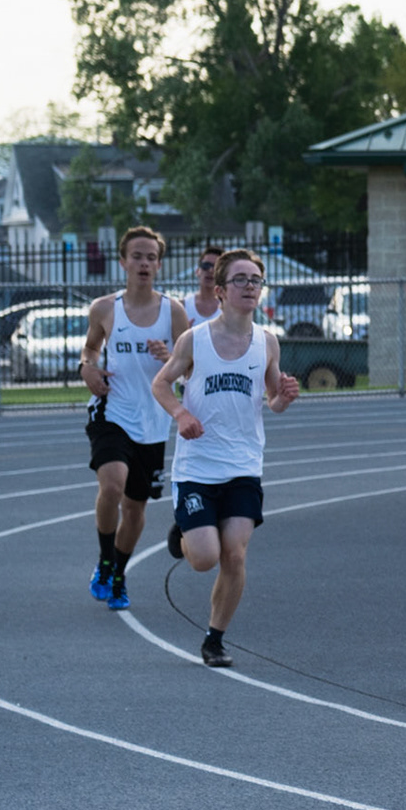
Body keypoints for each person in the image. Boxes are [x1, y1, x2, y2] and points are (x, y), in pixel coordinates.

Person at [150, 249, 300, 667]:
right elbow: (160, 384)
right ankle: (184, 533)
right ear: (219, 290)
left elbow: (272, 400)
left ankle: (214, 640)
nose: (250, 286)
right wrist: (181, 414)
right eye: (240, 280)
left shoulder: (267, 342)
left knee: (234, 554)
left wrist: (284, 398)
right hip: (197, 467)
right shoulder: (194, 340)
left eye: (255, 280)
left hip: (243, 466)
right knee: (204, 558)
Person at [80, 226, 188, 611]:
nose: (144, 263)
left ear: (159, 265)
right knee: (112, 485)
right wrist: (87, 368)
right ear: (123, 262)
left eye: (151, 257)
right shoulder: (104, 308)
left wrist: (169, 358)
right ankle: (105, 560)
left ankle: (119, 574)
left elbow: (191, 366)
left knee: (135, 508)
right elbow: (91, 348)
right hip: (112, 411)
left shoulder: (173, 312)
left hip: (153, 422)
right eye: (137, 256)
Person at [183, 244, 223, 326]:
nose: (210, 270)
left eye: (216, 267)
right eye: (206, 265)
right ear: (197, 271)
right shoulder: (183, 306)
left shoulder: (229, 308)